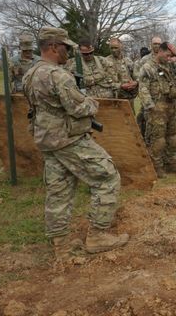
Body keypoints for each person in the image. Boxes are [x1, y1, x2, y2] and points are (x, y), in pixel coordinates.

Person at [22, 26, 128, 259]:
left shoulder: (31, 72)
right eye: (65, 47)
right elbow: (79, 107)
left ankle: (61, 245)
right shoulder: (57, 75)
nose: (68, 52)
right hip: (68, 139)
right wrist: (91, 102)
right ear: (52, 47)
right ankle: (98, 235)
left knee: (59, 190)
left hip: (48, 140)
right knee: (107, 177)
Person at [138, 42, 176, 177]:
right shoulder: (147, 67)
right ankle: (157, 166)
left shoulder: (170, 65)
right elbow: (143, 88)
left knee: (173, 136)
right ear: (160, 51)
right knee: (158, 139)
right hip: (156, 107)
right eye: (168, 55)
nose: (169, 58)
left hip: (171, 105)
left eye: (171, 56)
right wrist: (150, 106)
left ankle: (171, 163)